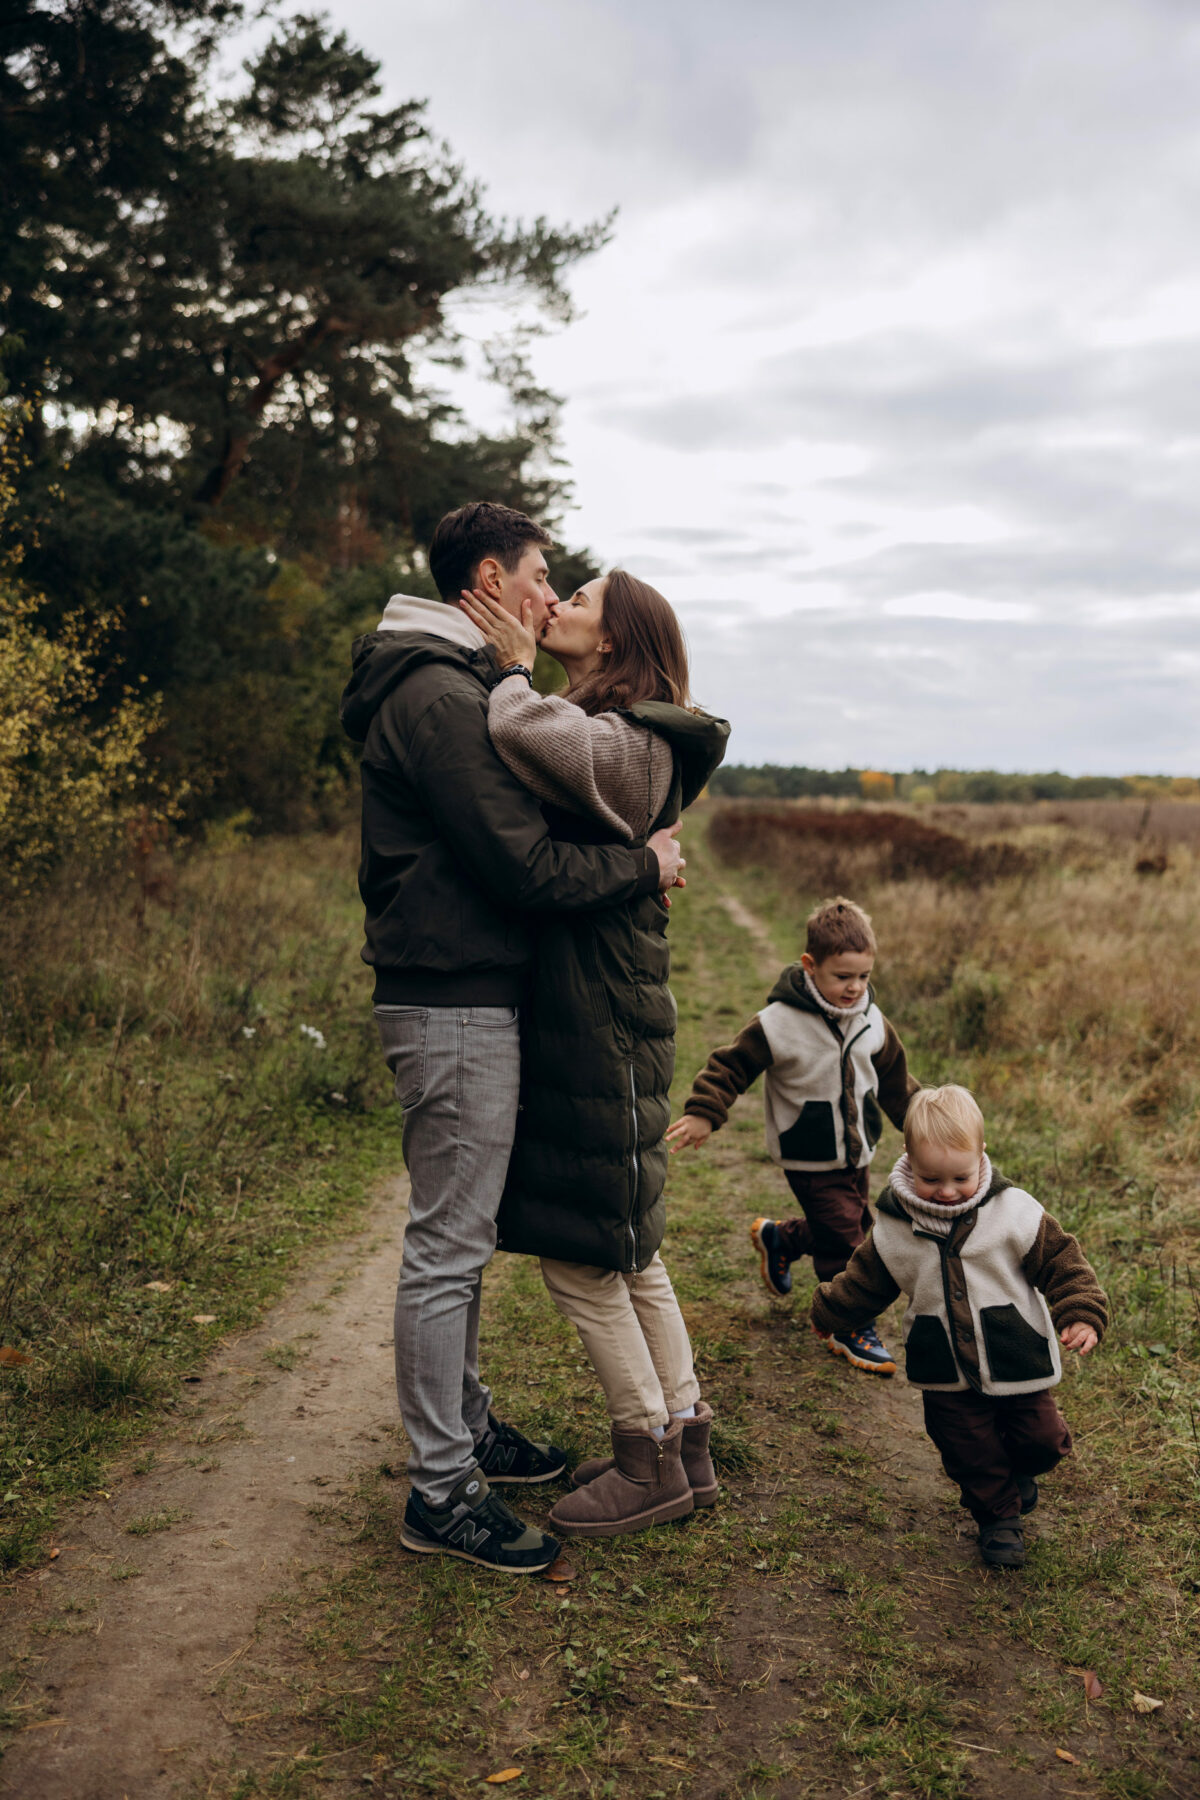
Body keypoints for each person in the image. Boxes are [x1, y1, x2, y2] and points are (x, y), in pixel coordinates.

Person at [339, 503, 685, 1575]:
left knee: (465, 1234)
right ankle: (441, 1491)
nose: (549, 594)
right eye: (541, 575)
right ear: (490, 575)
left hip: (466, 988)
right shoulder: (442, 696)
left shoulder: (452, 683)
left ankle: (471, 1426)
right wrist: (644, 868)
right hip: (450, 997)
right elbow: (522, 866)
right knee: (447, 1246)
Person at [458, 568, 730, 1538]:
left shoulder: (629, 741)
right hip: (604, 1006)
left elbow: (522, 732)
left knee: (583, 1258)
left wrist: (509, 666)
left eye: (580, 595)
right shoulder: (636, 736)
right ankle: (684, 1440)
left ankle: (644, 1455)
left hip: (598, 1014)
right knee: (630, 1247)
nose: (560, 598)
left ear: (614, 641)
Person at [812, 1085, 1107, 1568]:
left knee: (1043, 1440)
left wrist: (1080, 1311)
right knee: (968, 1450)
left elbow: (1062, 1261)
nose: (947, 1191)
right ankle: (998, 1519)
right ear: (908, 1159)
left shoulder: (1014, 1212)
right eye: (931, 1178)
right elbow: (864, 1282)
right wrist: (829, 1313)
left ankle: (1018, 1474)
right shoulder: (893, 1226)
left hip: (1017, 1357)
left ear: (981, 1156)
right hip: (942, 1365)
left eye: (960, 1177)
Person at [666, 897, 917, 1374]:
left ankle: (780, 1240)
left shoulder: (872, 1021)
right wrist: (704, 1111)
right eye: (842, 976)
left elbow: (897, 1085)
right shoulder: (779, 1023)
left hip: (857, 1150)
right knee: (848, 1240)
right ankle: (846, 1322)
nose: (854, 987)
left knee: (847, 1223)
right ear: (810, 965)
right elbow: (730, 1066)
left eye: (863, 976)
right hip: (807, 1154)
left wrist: (929, 1130)